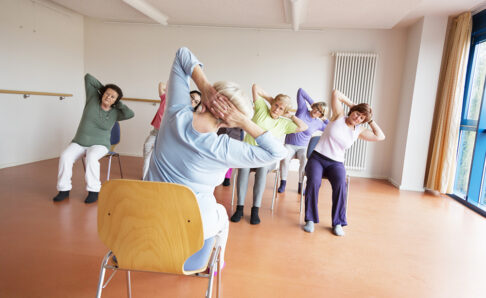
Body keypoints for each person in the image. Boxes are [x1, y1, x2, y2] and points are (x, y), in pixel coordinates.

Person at [145, 47, 287, 269]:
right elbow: (278, 153)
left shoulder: (175, 114)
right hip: (187, 235)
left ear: (208, 99)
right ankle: (216, 265)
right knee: (220, 213)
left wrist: (205, 87)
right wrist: (244, 122)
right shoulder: (224, 148)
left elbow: (182, 54)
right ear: (230, 121)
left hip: (146, 230)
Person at [303, 90, 385, 236]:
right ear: (352, 111)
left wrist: (370, 119)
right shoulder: (339, 115)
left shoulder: (359, 130)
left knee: (341, 185)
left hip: (336, 163)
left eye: (361, 117)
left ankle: (338, 223)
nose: (357, 118)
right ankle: (310, 219)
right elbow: (336, 93)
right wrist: (355, 106)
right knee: (314, 182)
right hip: (318, 158)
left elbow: (380, 136)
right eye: (357, 113)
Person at [231, 84, 308, 225]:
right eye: (276, 105)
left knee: (261, 169)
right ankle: (239, 208)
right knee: (243, 169)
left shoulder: (285, 123)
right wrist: (271, 100)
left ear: (284, 111)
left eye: (281, 108)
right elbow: (255, 87)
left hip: (267, 157)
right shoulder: (262, 109)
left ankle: (255, 210)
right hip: (248, 153)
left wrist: (290, 115)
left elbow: (304, 127)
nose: (276, 109)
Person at [53, 74, 134, 203]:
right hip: (79, 142)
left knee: (91, 157)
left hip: (100, 145)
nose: (108, 97)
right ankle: (64, 190)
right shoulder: (92, 98)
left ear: (116, 101)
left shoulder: (115, 113)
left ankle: (94, 191)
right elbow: (88, 78)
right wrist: (105, 90)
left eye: (112, 97)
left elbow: (130, 114)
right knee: (65, 156)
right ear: (102, 93)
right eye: (107, 94)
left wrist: (118, 103)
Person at [142, 82, 201, 179]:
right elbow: (161, 85)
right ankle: (147, 177)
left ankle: (148, 179)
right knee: (147, 150)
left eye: (196, 102)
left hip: (169, 139)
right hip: (156, 133)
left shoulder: (190, 115)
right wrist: (180, 90)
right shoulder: (169, 100)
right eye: (192, 97)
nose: (192, 102)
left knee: (156, 158)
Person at [277, 88, 329, 194]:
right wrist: (313, 103)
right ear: (313, 107)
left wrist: (325, 119)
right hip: (289, 145)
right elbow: (300, 91)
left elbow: (330, 127)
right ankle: (283, 183)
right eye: (316, 108)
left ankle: (300, 185)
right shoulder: (302, 109)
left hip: (302, 147)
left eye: (320, 111)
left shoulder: (318, 123)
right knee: (285, 159)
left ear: (321, 114)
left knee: (304, 161)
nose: (316, 111)